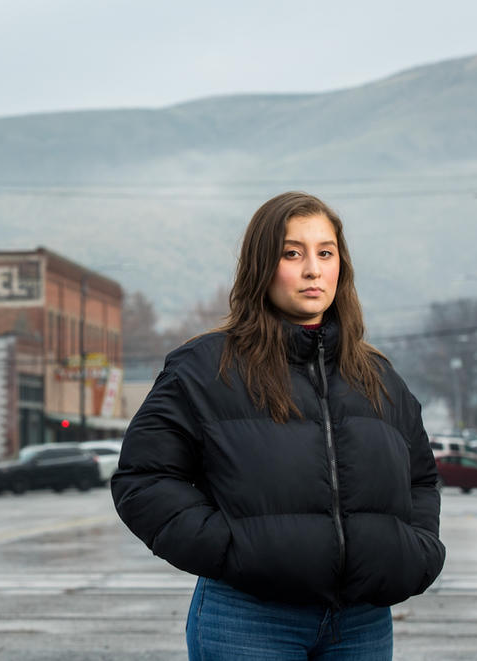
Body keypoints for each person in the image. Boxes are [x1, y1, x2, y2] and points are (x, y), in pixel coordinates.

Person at [111, 192, 445, 660]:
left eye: (325, 253)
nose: (312, 269)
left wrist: (415, 552)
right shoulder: (205, 367)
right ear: (262, 266)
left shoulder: (379, 376)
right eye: (293, 253)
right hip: (248, 619)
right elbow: (143, 480)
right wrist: (230, 550)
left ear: (340, 267)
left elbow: (421, 480)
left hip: (362, 622)